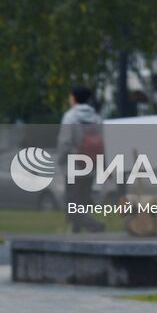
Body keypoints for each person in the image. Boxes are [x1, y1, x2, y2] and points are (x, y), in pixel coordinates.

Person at [56, 86, 105, 233]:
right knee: (82, 200)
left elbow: (65, 142)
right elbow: (102, 142)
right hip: (90, 165)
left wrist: (60, 160)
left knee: (71, 204)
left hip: (73, 165)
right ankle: (75, 231)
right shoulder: (96, 118)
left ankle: (94, 226)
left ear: (74, 98)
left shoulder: (70, 117)